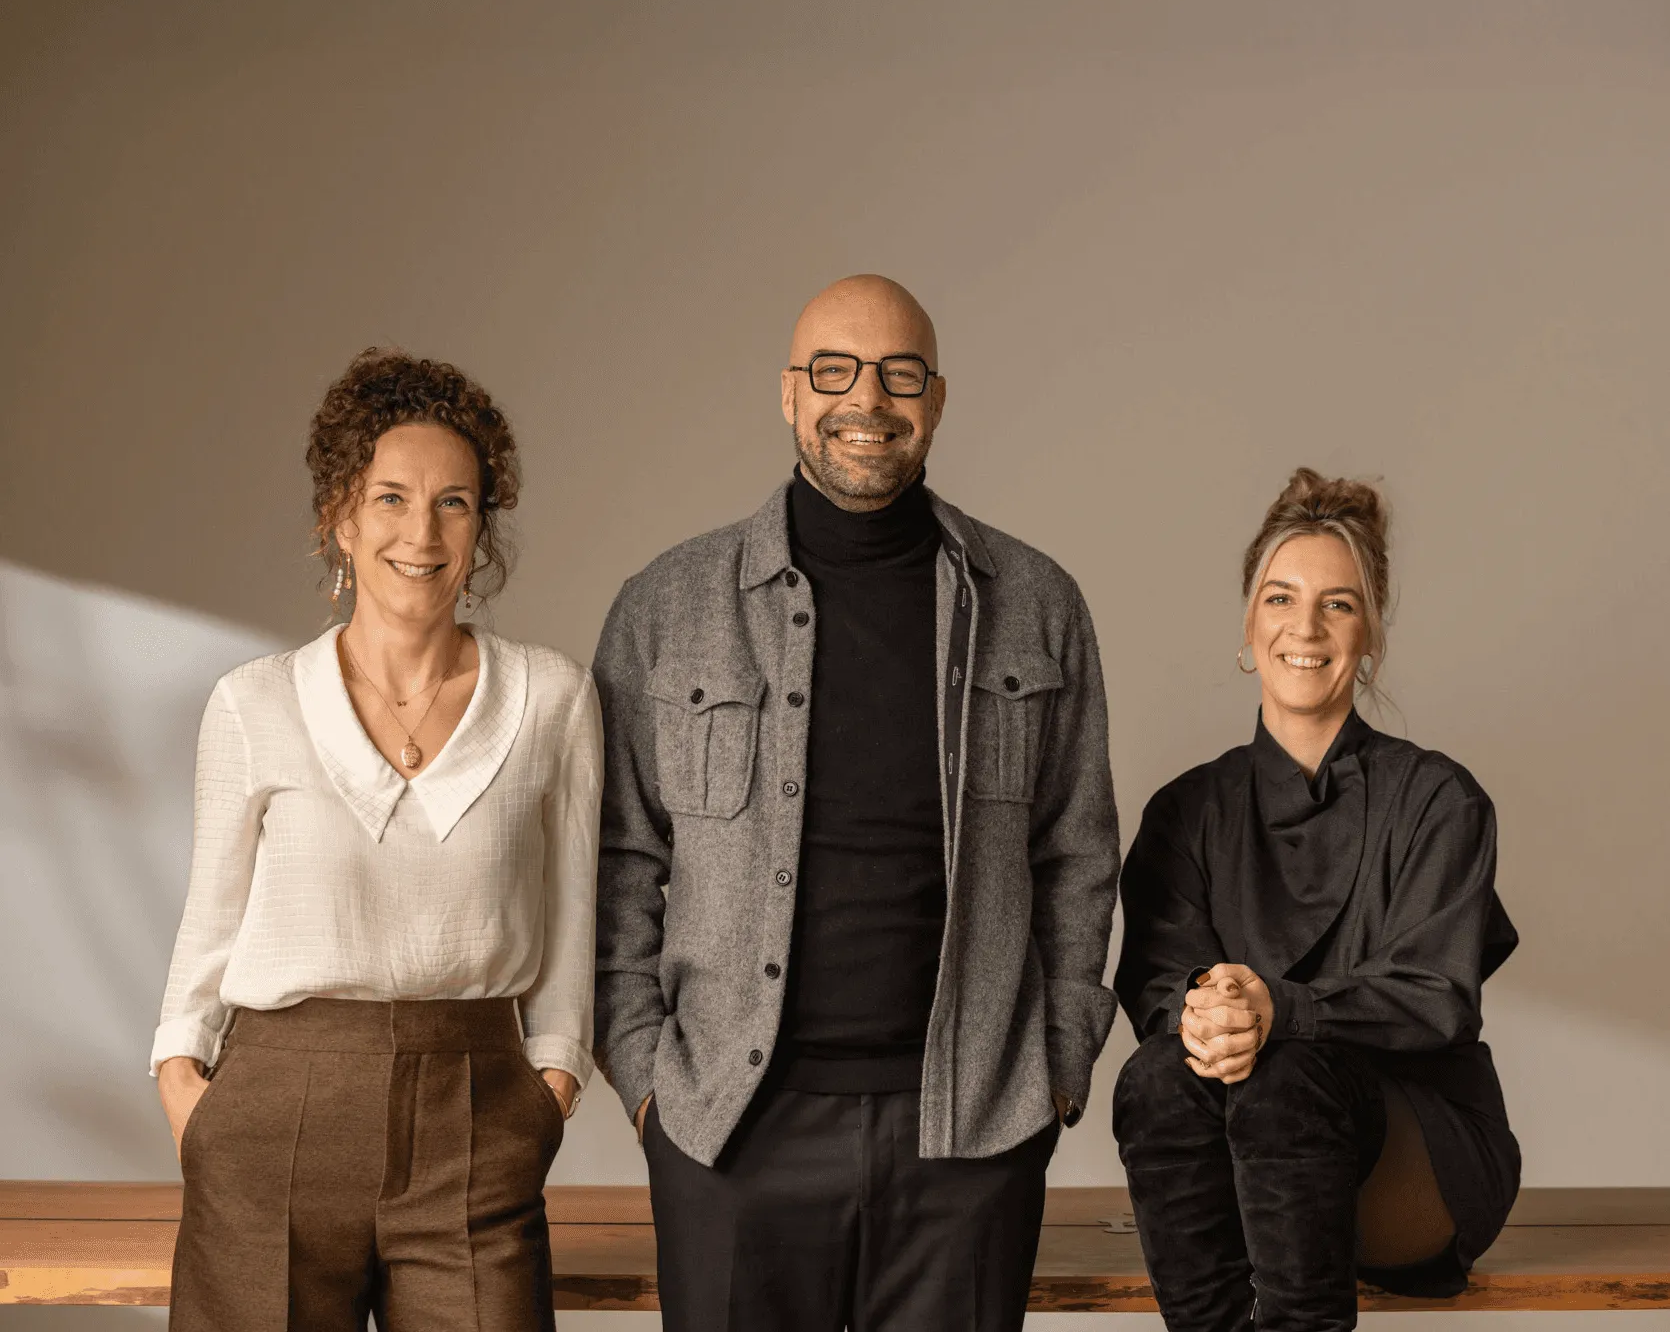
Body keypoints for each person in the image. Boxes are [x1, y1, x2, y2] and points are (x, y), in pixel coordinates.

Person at [591, 274, 1121, 1331]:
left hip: (968, 1132)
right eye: (832, 370)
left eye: (898, 372)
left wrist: (1057, 1069)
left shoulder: (1034, 602)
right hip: (732, 1133)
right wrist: (649, 1082)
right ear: (788, 393)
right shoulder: (667, 606)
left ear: (935, 396)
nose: (865, 401)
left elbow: (1077, 851)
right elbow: (616, 859)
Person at [151, 349, 601, 1332]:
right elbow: (210, 920)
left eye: (454, 502)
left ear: (482, 525)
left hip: (478, 1118)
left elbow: (574, 919)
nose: (421, 532)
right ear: (340, 518)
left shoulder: (553, 700)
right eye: (390, 498)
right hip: (274, 1117)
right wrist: (187, 1086)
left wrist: (553, 1081)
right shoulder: (252, 705)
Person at [1112, 468, 1520, 1331]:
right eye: (1280, 598)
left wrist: (1277, 1007)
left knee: (1288, 1076)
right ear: (1247, 627)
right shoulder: (1186, 809)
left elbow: (1437, 997)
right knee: (1154, 1076)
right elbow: (1154, 979)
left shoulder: (1441, 800)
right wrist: (1206, 1008)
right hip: (1238, 1148)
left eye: (1338, 604)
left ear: (1370, 635)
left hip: (1416, 1156)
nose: (1305, 626)